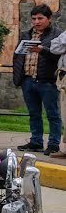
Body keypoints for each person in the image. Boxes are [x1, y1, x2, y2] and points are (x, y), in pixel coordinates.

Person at [13, 4, 63, 155]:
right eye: (34, 18)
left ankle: (54, 144)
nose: (36, 22)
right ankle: (36, 141)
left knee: (52, 114)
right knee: (34, 113)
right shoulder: (26, 34)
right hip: (28, 80)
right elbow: (17, 55)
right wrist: (19, 77)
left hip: (47, 81)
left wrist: (43, 50)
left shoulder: (57, 35)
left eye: (40, 18)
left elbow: (59, 57)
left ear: (49, 19)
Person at [50, 28, 66, 158]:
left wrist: (62, 42)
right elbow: (54, 47)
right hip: (63, 77)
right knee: (65, 114)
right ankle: (65, 149)